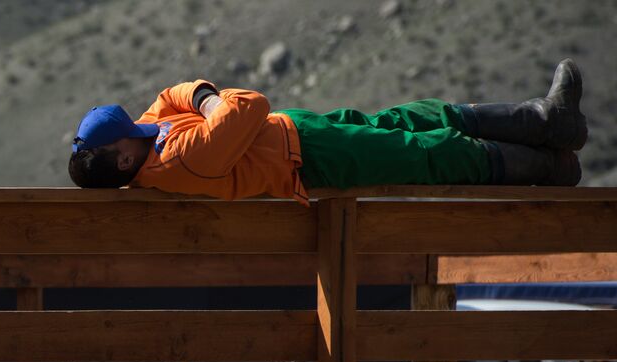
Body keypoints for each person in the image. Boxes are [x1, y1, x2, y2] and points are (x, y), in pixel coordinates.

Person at [68, 60, 586, 200]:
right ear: (122, 160)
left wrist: (203, 102)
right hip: (309, 157)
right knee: (425, 151)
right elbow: (248, 104)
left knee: (414, 117)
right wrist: (209, 101)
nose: (140, 121)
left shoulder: (151, 141)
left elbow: (171, 96)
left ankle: (548, 120)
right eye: (122, 132)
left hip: (299, 132)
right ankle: (550, 165)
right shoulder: (180, 160)